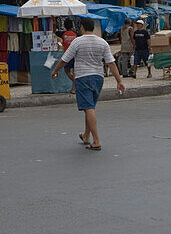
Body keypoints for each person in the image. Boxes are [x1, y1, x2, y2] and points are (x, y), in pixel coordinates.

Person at [50, 18, 126, 151]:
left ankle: (96, 141)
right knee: (89, 106)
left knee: (88, 108)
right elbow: (111, 63)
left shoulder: (77, 42)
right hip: (98, 78)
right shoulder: (102, 42)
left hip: (83, 77)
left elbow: (64, 59)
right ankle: (86, 135)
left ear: (82, 28)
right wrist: (119, 81)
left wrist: (55, 70)